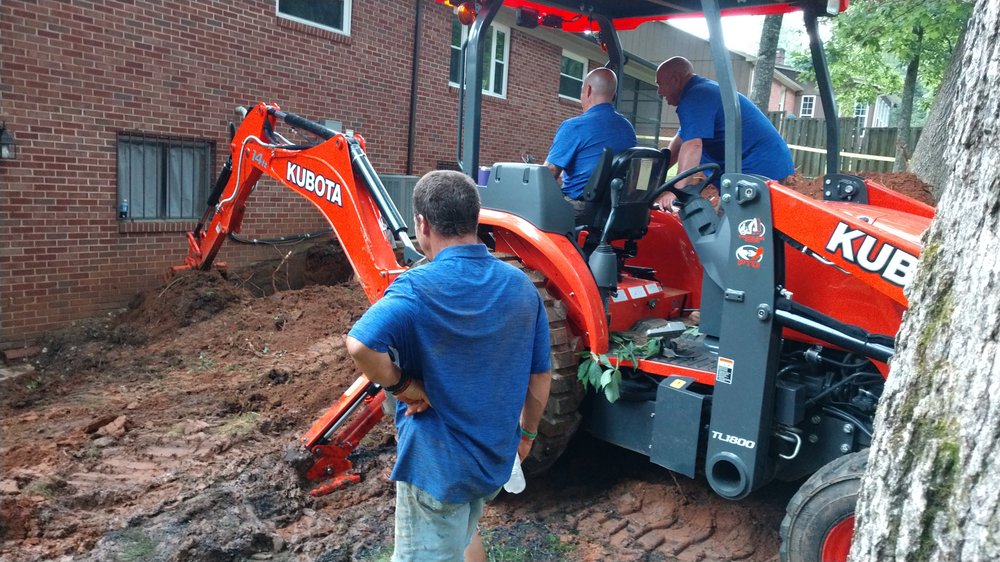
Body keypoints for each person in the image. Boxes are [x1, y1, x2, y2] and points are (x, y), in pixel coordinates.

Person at [345, 170, 553, 562]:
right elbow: (540, 375)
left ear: (422, 224)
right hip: (492, 459)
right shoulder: (521, 286)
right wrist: (526, 435)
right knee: (464, 529)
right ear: (476, 218)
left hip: (438, 468)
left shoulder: (417, 287)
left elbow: (360, 344)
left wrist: (402, 385)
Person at [653, 56, 795, 210]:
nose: (659, 92)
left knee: (733, 225)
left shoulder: (696, 96)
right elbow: (681, 141)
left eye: (660, 85)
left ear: (675, 80)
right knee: (727, 223)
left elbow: (693, 145)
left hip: (758, 169)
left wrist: (677, 190)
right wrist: (655, 175)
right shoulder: (701, 93)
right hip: (763, 164)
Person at [544, 67, 637, 220]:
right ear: (613, 95)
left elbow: (549, 173)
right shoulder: (627, 128)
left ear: (587, 90)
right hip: (615, 211)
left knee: (524, 210)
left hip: (580, 210)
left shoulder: (574, 126)